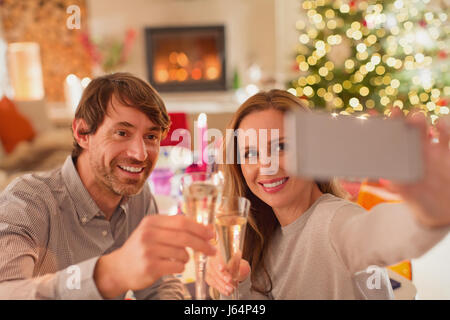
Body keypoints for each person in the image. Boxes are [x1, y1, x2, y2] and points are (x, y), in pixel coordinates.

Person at [205, 89, 450, 299]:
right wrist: (235, 283)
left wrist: (428, 215)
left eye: (281, 146)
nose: (266, 165)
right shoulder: (263, 235)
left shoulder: (335, 221)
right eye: (250, 153)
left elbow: (378, 234)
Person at [0, 72, 216, 299]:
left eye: (151, 136)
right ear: (83, 133)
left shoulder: (139, 197)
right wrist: (108, 274)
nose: (140, 154)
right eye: (122, 133)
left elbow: (160, 286)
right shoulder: (26, 202)